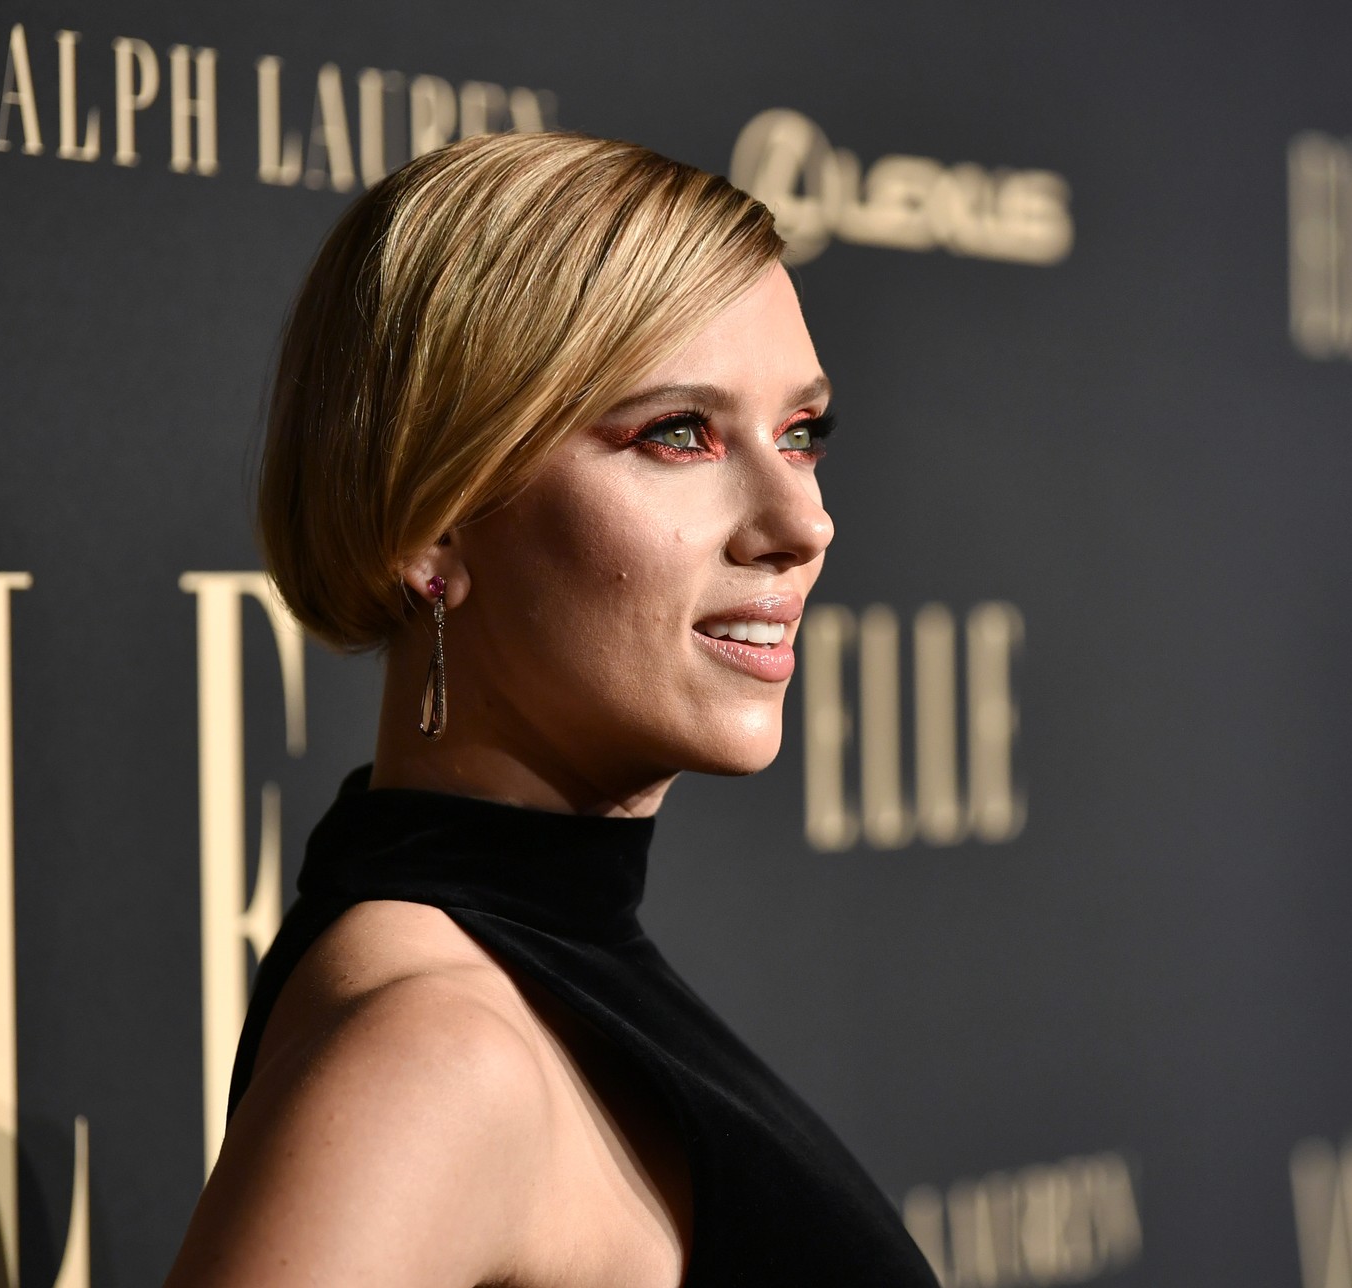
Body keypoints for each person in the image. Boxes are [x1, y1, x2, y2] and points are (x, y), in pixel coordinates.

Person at [163, 130, 939, 1287]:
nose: (802, 523)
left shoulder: (516, 984)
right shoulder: (437, 1059)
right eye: (677, 434)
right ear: (432, 522)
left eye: (800, 435)